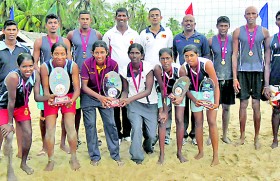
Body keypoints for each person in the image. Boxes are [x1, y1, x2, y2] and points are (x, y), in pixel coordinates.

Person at [0, 53, 54, 179]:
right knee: (8, 136)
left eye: (30, 66)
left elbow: (37, 97)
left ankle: (23, 163)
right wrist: (9, 123)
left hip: (22, 107)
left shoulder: (35, 75)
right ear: (18, 66)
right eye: (24, 66)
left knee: (28, 135)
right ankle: (10, 169)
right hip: (4, 107)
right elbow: (11, 101)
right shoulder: (13, 77)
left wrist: (50, 97)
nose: (28, 69)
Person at [33, 13, 72, 155]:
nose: (53, 25)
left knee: (65, 113)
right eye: (50, 22)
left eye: (55, 22)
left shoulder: (66, 42)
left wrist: (64, 79)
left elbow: (69, 61)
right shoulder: (39, 41)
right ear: (46, 25)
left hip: (63, 84)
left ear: (59, 24)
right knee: (45, 115)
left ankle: (62, 143)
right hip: (46, 83)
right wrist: (46, 75)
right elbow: (34, 63)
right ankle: (44, 145)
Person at [232, 6, 270, 150]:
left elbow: (267, 59)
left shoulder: (264, 32)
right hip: (243, 71)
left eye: (253, 13)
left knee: (256, 105)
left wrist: (266, 83)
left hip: (258, 72)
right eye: (248, 13)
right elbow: (234, 55)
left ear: (257, 15)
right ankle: (242, 136)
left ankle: (256, 137)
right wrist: (235, 77)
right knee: (242, 105)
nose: (251, 16)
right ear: (244, 15)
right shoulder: (238, 31)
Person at [80, 40, 123, 166]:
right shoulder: (86, 64)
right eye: (97, 53)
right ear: (92, 53)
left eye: (102, 52)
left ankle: (115, 154)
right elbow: (84, 87)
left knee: (110, 124)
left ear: (107, 53)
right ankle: (94, 156)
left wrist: (109, 98)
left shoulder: (113, 64)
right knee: (90, 125)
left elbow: (114, 84)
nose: (99, 56)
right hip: (90, 96)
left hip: (106, 95)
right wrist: (100, 98)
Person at [40, 42, 80, 171]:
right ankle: (50, 160)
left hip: (68, 95)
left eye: (62, 54)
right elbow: (45, 89)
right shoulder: (45, 67)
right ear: (51, 54)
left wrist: (72, 100)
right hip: (52, 95)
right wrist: (49, 98)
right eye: (56, 54)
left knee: (70, 126)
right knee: (50, 129)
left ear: (67, 54)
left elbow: (77, 89)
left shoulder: (72, 66)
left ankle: (73, 157)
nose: (59, 57)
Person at [103, 8, 139, 144]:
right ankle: (117, 133)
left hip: (130, 74)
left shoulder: (134, 34)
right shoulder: (109, 34)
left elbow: (138, 53)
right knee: (115, 104)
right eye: (119, 16)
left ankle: (127, 133)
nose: (121, 18)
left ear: (128, 17)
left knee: (127, 103)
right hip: (114, 75)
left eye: (124, 15)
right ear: (115, 17)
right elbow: (105, 53)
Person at [173, 14, 210, 145]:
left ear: (195, 23)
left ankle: (195, 134)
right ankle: (183, 135)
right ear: (182, 23)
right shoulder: (177, 38)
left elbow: (206, 56)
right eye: (186, 21)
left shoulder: (201, 38)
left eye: (191, 21)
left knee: (196, 104)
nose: (188, 23)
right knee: (183, 105)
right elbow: (174, 56)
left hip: (198, 78)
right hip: (183, 76)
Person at [180, 44, 220, 166]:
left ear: (197, 55)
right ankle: (201, 151)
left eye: (192, 55)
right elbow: (184, 88)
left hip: (209, 92)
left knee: (212, 122)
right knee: (198, 123)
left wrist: (216, 103)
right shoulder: (183, 68)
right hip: (194, 94)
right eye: (186, 56)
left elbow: (216, 84)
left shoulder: (206, 64)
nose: (189, 58)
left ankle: (216, 155)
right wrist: (193, 99)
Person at [67, 10, 102, 146]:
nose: (85, 21)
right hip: (76, 74)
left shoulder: (97, 34)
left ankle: (94, 136)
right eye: (82, 19)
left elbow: (101, 52)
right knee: (76, 108)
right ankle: (75, 136)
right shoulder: (71, 34)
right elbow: (68, 51)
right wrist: (71, 66)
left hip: (92, 75)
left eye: (87, 19)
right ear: (79, 20)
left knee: (92, 106)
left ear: (90, 20)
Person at [139, 7, 173, 144]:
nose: (154, 17)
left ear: (161, 17)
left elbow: (170, 53)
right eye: (152, 15)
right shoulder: (143, 34)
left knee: (166, 102)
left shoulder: (168, 32)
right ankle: (151, 134)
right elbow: (140, 54)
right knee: (152, 103)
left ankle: (166, 135)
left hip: (165, 74)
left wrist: (170, 70)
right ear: (149, 18)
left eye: (157, 15)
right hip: (148, 74)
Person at [120, 43, 158, 165]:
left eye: (137, 53)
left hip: (149, 104)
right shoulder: (124, 69)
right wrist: (122, 100)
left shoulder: (148, 68)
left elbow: (147, 91)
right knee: (136, 128)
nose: (134, 56)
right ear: (128, 54)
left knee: (152, 135)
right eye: (132, 53)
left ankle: (147, 146)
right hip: (133, 105)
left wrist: (128, 99)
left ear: (142, 55)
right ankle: (136, 156)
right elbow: (125, 90)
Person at [0, 20, 30, 161]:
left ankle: (20, 152)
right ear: (3, 31)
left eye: (14, 29)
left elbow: (30, 69)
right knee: (2, 124)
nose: (11, 32)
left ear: (17, 31)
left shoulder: (24, 50)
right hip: (2, 93)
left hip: (21, 93)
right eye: (9, 29)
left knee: (21, 123)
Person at [154, 48, 187, 164]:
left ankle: (179, 152)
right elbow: (163, 90)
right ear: (159, 59)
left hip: (179, 94)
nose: (165, 61)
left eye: (168, 58)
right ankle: (162, 154)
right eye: (162, 58)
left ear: (172, 59)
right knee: (162, 120)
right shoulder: (158, 69)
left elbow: (185, 84)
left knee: (179, 119)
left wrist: (180, 97)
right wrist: (164, 110)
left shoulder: (180, 70)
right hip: (163, 94)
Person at [208, 16, 235, 144]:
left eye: (225, 26)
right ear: (217, 26)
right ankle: (210, 135)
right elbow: (207, 61)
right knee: (213, 107)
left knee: (226, 108)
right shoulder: (211, 40)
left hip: (229, 78)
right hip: (215, 78)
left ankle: (224, 135)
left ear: (229, 26)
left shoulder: (233, 40)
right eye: (221, 26)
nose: (223, 28)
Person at [264, 10, 280, 149]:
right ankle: (275, 139)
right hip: (275, 81)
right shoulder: (271, 39)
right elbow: (267, 64)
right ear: (276, 22)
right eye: (279, 18)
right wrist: (266, 85)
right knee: (276, 110)